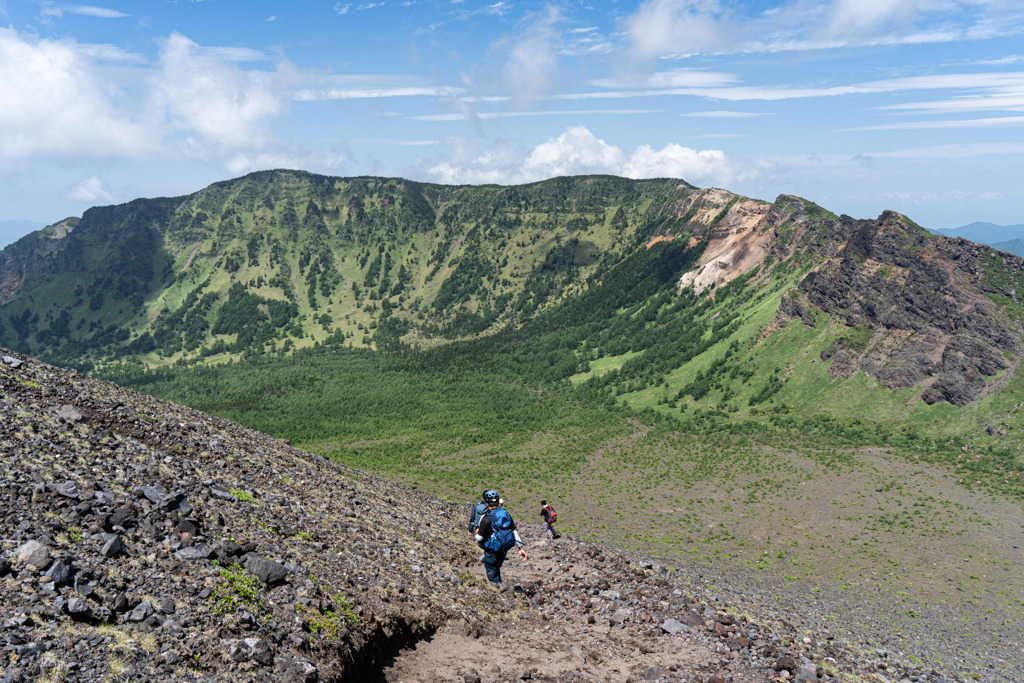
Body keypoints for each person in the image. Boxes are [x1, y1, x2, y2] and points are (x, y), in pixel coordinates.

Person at [474, 490, 527, 584]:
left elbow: (479, 538)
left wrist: (477, 532)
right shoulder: (506, 515)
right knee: (497, 568)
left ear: (487, 504)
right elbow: (514, 531)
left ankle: (500, 591)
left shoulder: (485, 518)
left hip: (491, 552)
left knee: (492, 575)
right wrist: (521, 548)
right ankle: (500, 585)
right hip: (503, 550)